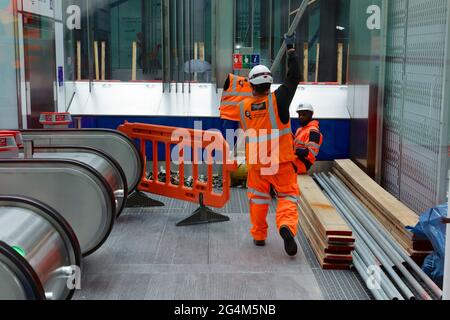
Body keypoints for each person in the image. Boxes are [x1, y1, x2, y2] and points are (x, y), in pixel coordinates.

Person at [219, 33, 300, 256]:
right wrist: (291, 49)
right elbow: (294, 78)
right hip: (282, 162)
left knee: (257, 199)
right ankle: (286, 227)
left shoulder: (243, 107)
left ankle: (258, 235)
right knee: (287, 197)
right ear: (270, 83)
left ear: (251, 85)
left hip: (257, 164)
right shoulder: (279, 99)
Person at [293, 103, 323, 175]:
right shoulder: (300, 130)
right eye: (299, 115)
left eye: (304, 114)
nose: (301, 117)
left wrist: (292, 149)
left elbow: (310, 154)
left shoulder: (314, 132)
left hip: (301, 164)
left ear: (311, 115)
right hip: (294, 160)